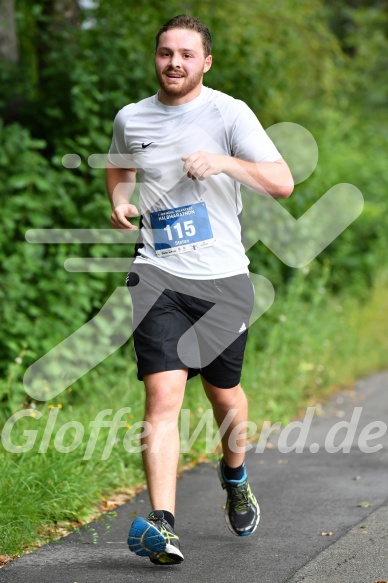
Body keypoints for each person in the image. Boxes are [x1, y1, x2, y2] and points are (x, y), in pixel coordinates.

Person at [106, 14, 293, 566]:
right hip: (156, 271)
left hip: (221, 279)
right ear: (156, 57)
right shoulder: (131, 117)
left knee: (223, 396)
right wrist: (119, 200)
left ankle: (234, 475)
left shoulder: (229, 113)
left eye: (186, 55)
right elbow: (118, 169)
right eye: (166, 53)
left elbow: (281, 182)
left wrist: (224, 162)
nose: (174, 63)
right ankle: (163, 524)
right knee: (163, 396)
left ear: (205, 62)